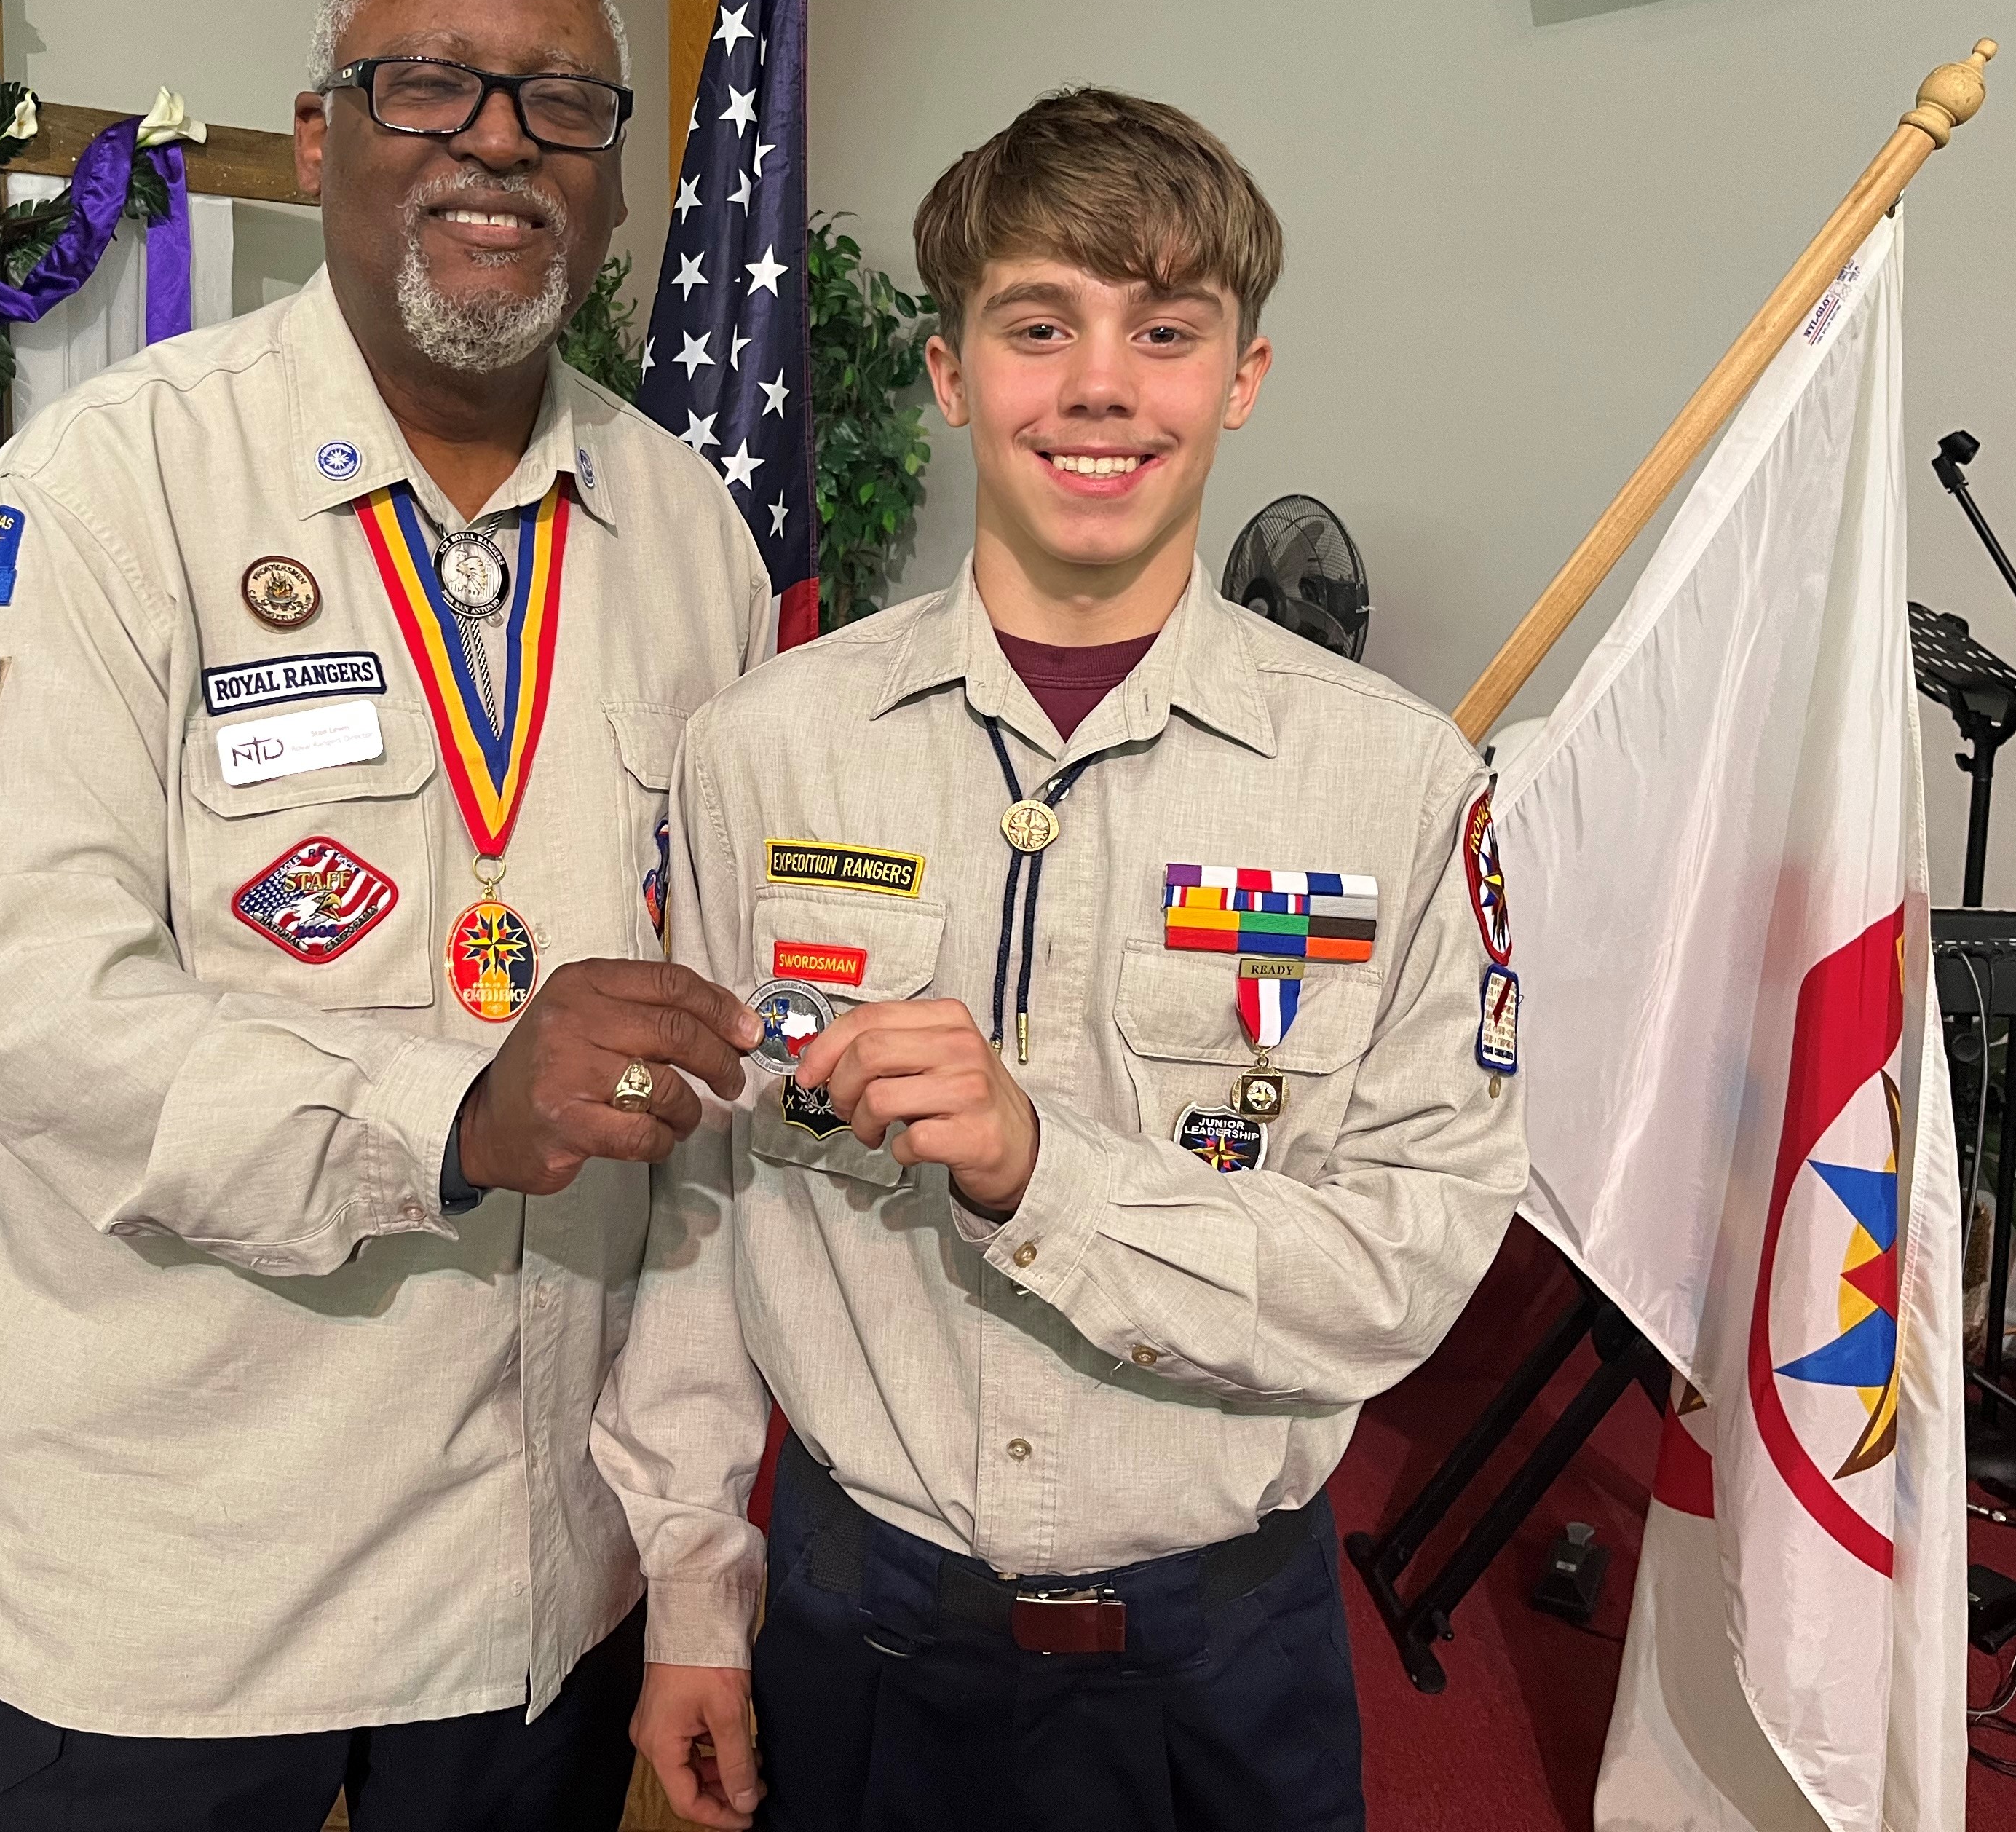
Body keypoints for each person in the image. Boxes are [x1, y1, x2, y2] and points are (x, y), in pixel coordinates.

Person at [0, 0, 774, 1832]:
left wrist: (694, 1565)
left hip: (528, 1585)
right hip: (162, 1588)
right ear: (317, 139)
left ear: (617, 179)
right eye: (430, 85)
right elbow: (23, 997)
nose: (500, 142)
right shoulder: (106, 490)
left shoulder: (692, 537)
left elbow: (710, 1095)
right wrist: (453, 1114)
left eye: (562, 103)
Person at [596, 89, 1530, 1831]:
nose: (1101, 386)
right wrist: (693, 1588)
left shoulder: (1401, 785)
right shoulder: (765, 752)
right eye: (1038, 326)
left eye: (1165, 332)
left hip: (1221, 1656)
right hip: (859, 1630)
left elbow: (1410, 1261)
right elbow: (699, 1208)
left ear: (1242, 377)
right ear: (950, 373)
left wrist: (1051, 1176)